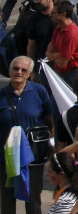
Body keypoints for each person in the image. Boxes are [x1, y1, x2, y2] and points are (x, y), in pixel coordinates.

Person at [0, 56, 53, 214]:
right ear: (9, 71)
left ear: (29, 74)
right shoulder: (1, 95)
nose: (19, 72)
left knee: (33, 202)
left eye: (23, 70)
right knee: (7, 201)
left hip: (32, 158)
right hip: (5, 159)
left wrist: (50, 148)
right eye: (15, 68)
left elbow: (49, 122)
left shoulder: (39, 91)